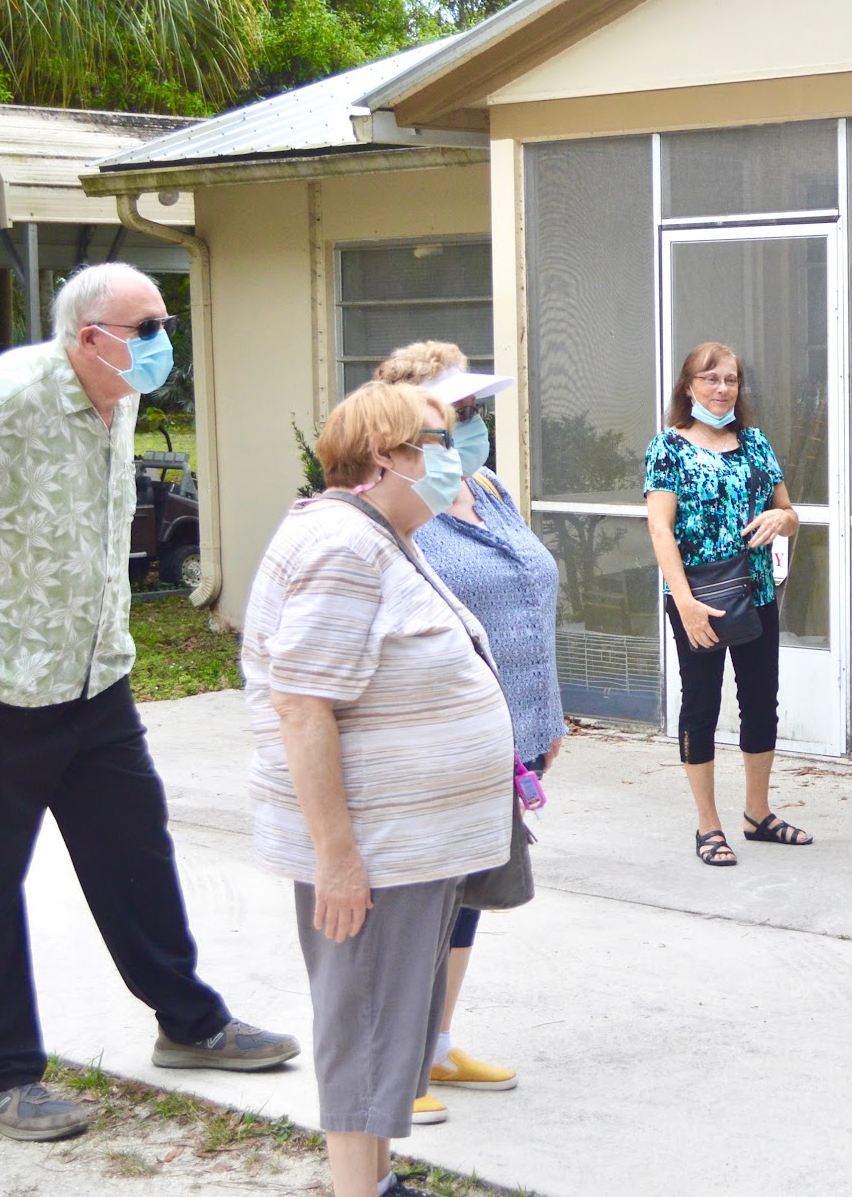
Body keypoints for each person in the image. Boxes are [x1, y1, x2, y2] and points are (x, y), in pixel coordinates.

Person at [0, 263, 296, 1144]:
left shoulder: (117, 396)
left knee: (135, 850)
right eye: (146, 325)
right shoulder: (8, 399)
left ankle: (190, 1022)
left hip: (96, 677)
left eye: (164, 320)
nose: (161, 339)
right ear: (88, 335)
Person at [241, 382, 515, 1197]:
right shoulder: (341, 545)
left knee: (393, 1020)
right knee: (364, 1023)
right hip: (375, 849)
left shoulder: (384, 533)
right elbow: (301, 704)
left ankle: (378, 1183)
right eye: (438, 438)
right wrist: (338, 859)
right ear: (385, 455)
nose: (456, 451)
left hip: (413, 844)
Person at [374, 342, 562, 1120]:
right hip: (437, 740)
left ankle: (437, 1043)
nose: (475, 425)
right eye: (460, 412)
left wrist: (544, 716)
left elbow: (526, 593)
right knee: (422, 902)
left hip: (512, 738)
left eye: (479, 410)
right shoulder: (392, 504)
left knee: (469, 899)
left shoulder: (483, 487)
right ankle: (397, 1065)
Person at [644, 341, 810, 866]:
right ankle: (708, 825)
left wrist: (785, 520)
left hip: (756, 592)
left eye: (731, 380)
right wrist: (685, 603)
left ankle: (757, 814)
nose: (722, 389)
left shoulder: (756, 443)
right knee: (701, 706)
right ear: (688, 386)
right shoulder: (667, 448)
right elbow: (660, 529)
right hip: (699, 598)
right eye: (710, 378)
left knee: (761, 701)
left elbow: (787, 511)